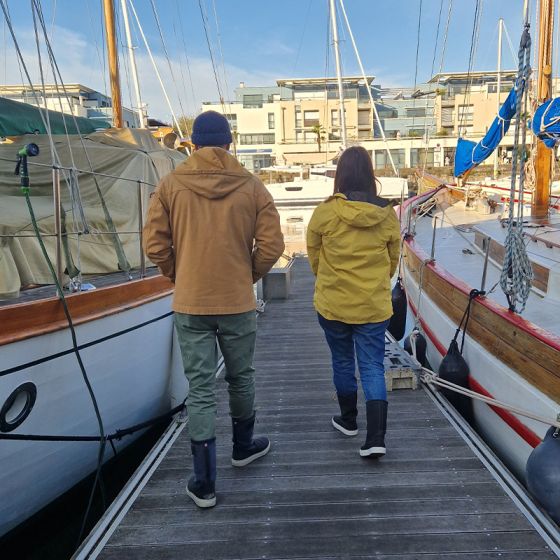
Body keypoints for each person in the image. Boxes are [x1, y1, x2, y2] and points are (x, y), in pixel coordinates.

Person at [143, 110, 285, 508]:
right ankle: (243, 448)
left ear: (193, 144)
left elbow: (154, 245)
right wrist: (246, 274)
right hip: (237, 300)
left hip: (191, 302)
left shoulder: (170, 185)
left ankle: (204, 482)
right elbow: (272, 246)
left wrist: (179, 274)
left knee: (201, 387)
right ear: (228, 144)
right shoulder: (253, 186)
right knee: (241, 377)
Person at [306, 146, 400, 458]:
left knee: (342, 361)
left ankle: (348, 421)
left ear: (340, 175)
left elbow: (315, 255)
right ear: (371, 176)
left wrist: (328, 278)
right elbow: (392, 260)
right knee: (373, 365)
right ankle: (376, 437)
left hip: (334, 305)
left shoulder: (325, 212)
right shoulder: (387, 215)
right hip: (373, 306)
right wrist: (376, 282)